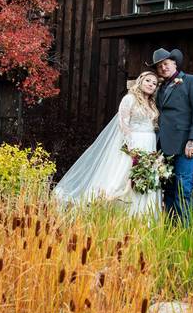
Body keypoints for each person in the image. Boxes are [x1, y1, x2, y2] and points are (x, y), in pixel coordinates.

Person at [53, 71, 162, 218]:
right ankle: (114, 213)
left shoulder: (151, 103)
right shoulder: (130, 99)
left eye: (154, 83)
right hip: (135, 143)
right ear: (140, 81)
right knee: (123, 178)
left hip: (150, 144)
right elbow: (123, 123)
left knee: (145, 179)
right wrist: (131, 146)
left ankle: (142, 215)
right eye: (148, 81)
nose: (151, 85)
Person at [151, 48, 193, 224]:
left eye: (166, 64)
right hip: (164, 147)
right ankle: (170, 229)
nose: (163, 68)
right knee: (168, 190)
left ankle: (185, 231)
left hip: (185, 145)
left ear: (174, 63)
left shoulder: (191, 81)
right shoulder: (159, 89)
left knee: (184, 188)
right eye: (160, 66)